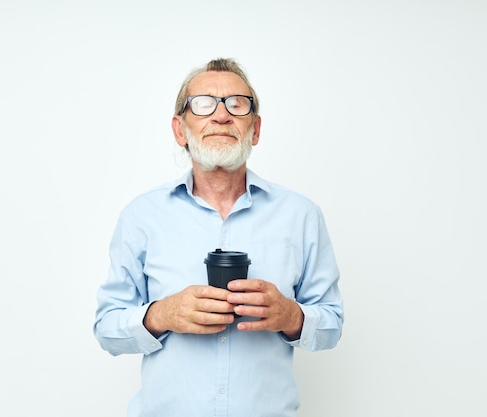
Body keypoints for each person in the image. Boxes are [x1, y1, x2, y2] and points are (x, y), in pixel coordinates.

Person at [94, 58, 343, 417]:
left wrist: (291, 315)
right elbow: (106, 328)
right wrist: (161, 314)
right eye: (204, 104)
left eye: (237, 104)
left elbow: (332, 324)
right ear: (180, 130)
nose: (221, 116)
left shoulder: (301, 215)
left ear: (255, 129)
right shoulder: (142, 216)